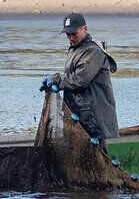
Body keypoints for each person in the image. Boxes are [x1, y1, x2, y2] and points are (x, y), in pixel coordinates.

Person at [43, 13, 119, 143]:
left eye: (74, 33)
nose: (71, 38)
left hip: (95, 119)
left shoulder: (93, 51)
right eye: (68, 34)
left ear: (85, 29)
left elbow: (79, 80)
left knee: (95, 157)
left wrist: (56, 79)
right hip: (78, 116)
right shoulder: (75, 49)